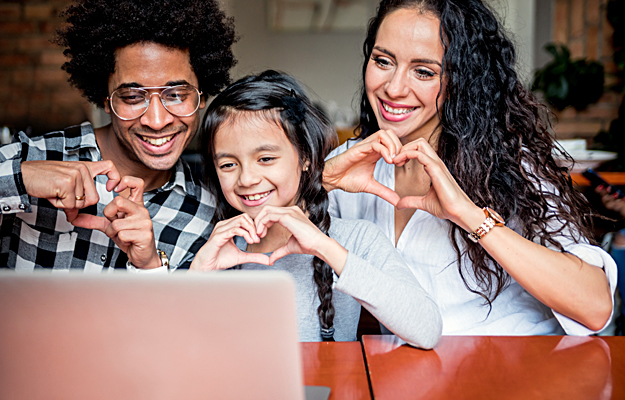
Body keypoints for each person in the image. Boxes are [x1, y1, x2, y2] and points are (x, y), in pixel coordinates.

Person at [323, 0, 616, 335]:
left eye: (424, 71)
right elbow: (267, 254)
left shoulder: (508, 162)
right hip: (412, 376)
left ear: (460, 80)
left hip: (517, 369)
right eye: (383, 61)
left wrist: (469, 215)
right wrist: (324, 181)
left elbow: (595, 306)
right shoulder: (352, 164)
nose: (393, 87)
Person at [189, 71, 442, 347]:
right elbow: (179, 355)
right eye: (228, 165)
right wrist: (199, 276)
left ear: (306, 158)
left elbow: (426, 330)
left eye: (265, 158)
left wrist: (325, 248)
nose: (246, 179)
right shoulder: (221, 246)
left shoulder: (357, 239)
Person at [0, 0, 237, 271]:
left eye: (176, 95)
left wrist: (150, 266)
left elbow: (180, 312)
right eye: (133, 97)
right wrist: (19, 179)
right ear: (105, 100)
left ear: (202, 95)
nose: (157, 121)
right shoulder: (33, 157)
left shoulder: (207, 216)